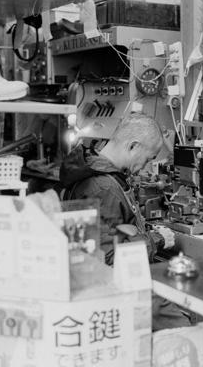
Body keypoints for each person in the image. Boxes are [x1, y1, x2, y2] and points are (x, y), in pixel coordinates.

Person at [60, 113, 191, 330]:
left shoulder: (96, 173)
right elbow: (109, 261)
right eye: (148, 159)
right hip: (116, 293)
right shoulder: (103, 188)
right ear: (133, 146)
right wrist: (155, 239)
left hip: (99, 291)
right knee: (185, 330)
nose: (145, 166)